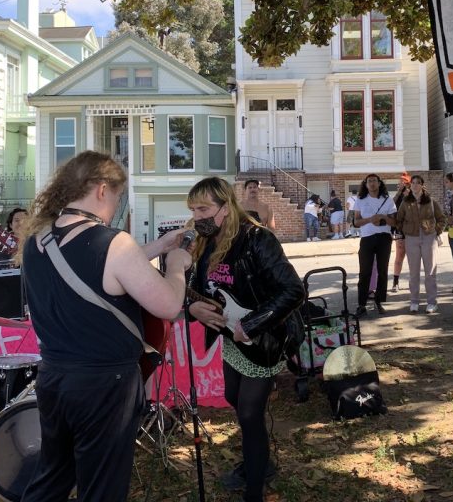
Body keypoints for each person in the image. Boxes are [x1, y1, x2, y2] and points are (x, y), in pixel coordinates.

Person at [19, 150, 189, 502]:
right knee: (102, 488)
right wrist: (176, 265)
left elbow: (97, 269)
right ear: (101, 190)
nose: (116, 204)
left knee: (52, 478)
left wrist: (159, 245)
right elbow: (170, 305)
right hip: (104, 386)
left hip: (53, 378)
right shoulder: (114, 242)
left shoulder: (38, 242)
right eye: (117, 195)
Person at [186, 177, 304, 502]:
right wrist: (192, 306)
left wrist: (251, 325)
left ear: (225, 208)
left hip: (264, 337)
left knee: (250, 413)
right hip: (229, 336)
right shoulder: (204, 242)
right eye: (193, 209)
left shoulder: (257, 239)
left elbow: (293, 290)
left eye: (204, 208)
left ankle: (255, 485)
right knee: (233, 397)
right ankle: (257, 459)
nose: (197, 216)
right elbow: (193, 287)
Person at [396, 175, 446, 314]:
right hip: (411, 238)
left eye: (418, 183)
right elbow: (398, 219)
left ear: (423, 185)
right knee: (413, 272)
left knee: (430, 271)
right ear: (410, 185)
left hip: (429, 237)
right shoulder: (405, 202)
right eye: (413, 183)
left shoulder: (430, 201)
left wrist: (436, 230)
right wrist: (402, 231)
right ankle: (414, 301)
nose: (415, 185)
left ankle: (431, 302)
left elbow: (441, 218)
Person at [353, 173, 397, 316]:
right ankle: (361, 304)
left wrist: (383, 217)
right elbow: (356, 222)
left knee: (382, 271)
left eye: (374, 181)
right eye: (369, 181)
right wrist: (370, 219)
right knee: (365, 271)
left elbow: (395, 222)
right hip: (367, 238)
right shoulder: (360, 200)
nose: (372, 183)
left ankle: (379, 302)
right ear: (365, 185)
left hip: (384, 238)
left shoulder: (388, 200)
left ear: (379, 183)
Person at [391, 173, 411, 292]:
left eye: (404, 182)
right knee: (399, 256)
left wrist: (407, 193)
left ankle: (412, 281)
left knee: (413, 258)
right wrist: (399, 193)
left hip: (412, 230)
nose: (401, 184)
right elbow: (391, 205)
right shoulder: (397, 197)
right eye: (400, 182)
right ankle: (395, 282)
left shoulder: (412, 195)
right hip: (400, 229)